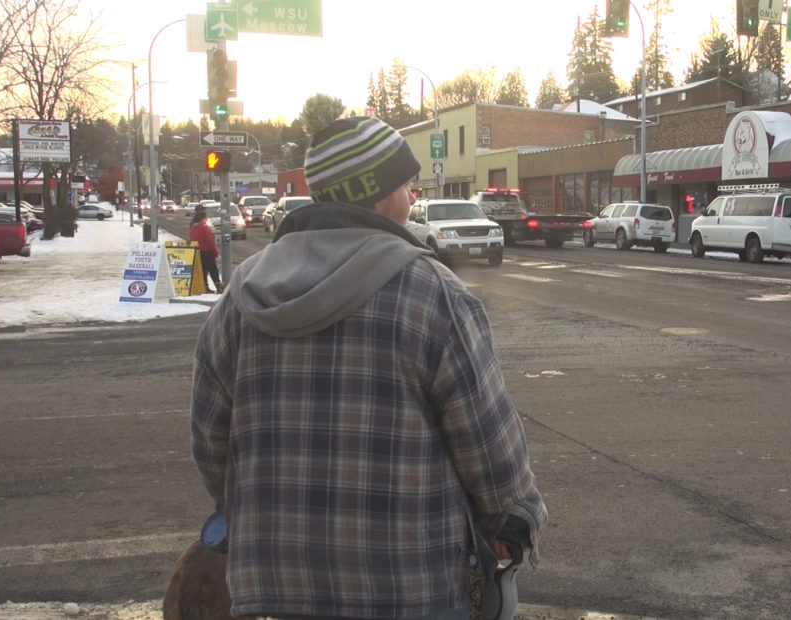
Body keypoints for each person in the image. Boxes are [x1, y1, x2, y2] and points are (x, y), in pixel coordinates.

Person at [189, 117, 546, 620]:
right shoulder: (433, 294)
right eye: (404, 184)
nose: (410, 195)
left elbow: (210, 444)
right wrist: (515, 524)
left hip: (271, 589)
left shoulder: (240, 296)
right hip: (409, 589)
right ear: (378, 195)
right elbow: (488, 448)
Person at [188, 210, 223, 294]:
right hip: (207, 252)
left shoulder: (193, 228)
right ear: (203, 218)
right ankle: (218, 286)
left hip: (197, 252)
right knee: (213, 269)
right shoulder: (204, 227)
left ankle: (205, 287)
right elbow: (209, 241)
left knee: (203, 270)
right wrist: (215, 252)